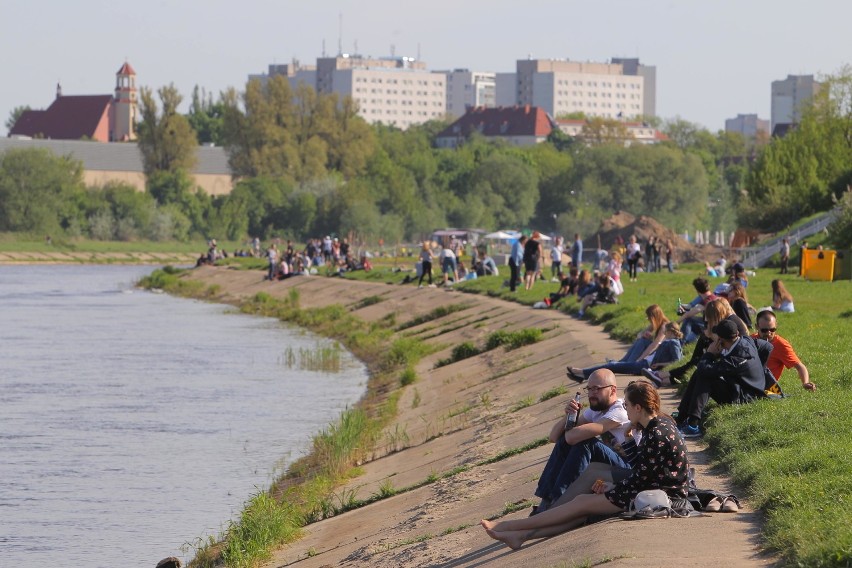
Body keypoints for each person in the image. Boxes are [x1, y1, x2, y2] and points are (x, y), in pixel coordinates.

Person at [481, 380, 688, 550]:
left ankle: (508, 525)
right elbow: (643, 468)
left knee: (581, 503)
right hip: (652, 487)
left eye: (627, 405)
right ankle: (522, 535)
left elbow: (643, 478)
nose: (625, 410)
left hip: (658, 495)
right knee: (583, 508)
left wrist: (613, 487)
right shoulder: (661, 423)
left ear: (638, 407)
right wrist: (628, 440)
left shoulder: (655, 434)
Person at [531, 370, 631, 514]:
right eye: (589, 389)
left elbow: (571, 437)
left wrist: (572, 429)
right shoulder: (595, 411)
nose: (591, 394)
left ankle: (558, 500)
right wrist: (568, 416)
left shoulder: (620, 411)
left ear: (612, 390)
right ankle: (547, 500)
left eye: (597, 388)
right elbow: (554, 437)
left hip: (628, 467)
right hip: (611, 463)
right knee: (573, 440)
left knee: (585, 442)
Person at [675, 319, 766, 438]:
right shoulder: (745, 340)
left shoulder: (738, 358)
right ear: (737, 334)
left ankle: (693, 425)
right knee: (700, 373)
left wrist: (709, 354)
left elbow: (705, 369)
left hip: (745, 398)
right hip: (740, 387)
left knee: (706, 376)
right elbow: (767, 346)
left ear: (720, 340)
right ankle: (682, 417)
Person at [568, 322, 683, 381]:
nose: (664, 334)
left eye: (665, 332)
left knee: (612, 366)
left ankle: (582, 372)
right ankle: (582, 374)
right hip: (643, 363)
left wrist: (659, 365)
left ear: (670, 331)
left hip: (644, 366)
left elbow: (677, 361)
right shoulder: (671, 341)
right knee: (613, 365)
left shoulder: (673, 343)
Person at [753, 309, 814, 391]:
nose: (768, 333)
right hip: (749, 382)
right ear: (757, 327)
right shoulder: (750, 340)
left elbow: (800, 366)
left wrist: (805, 383)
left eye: (772, 330)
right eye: (764, 330)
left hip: (768, 388)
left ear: (776, 326)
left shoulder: (781, 345)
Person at [677, 277, 718, 343]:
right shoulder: (712, 297)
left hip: (713, 327)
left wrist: (676, 322)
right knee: (693, 320)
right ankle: (689, 340)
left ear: (697, 290)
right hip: (713, 324)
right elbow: (691, 310)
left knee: (689, 320)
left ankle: (680, 343)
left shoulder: (707, 301)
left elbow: (688, 314)